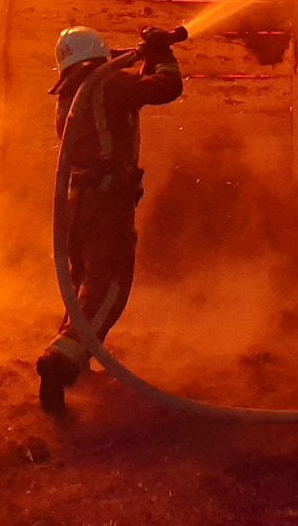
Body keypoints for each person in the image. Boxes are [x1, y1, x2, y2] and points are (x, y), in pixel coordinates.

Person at [36, 24, 183, 413]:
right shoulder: (106, 86)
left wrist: (147, 51)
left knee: (84, 283)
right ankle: (62, 359)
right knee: (110, 287)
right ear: (98, 55)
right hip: (106, 205)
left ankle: (73, 354)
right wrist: (164, 56)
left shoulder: (77, 90)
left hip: (78, 205)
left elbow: (130, 80)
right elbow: (166, 88)